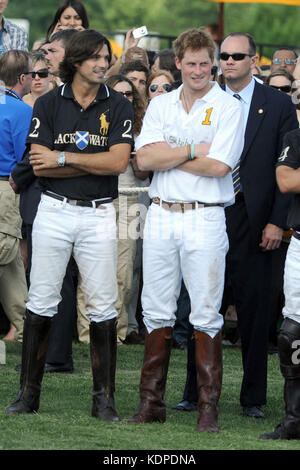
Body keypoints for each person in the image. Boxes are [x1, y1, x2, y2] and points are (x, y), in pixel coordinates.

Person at [5, 30, 134, 421]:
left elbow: (116, 164)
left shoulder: (120, 104)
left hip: (98, 213)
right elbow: (38, 162)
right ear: (75, 61)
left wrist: (63, 159)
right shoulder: (46, 102)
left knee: (102, 306)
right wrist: (79, 158)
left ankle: (104, 400)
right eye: (95, 57)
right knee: (41, 300)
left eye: (106, 56)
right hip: (54, 210)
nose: (102, 63)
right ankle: (28, 394)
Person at [173, 32, 299, 419]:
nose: (228, 62)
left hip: (257, 218)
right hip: (210, 211)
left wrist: (277, 222)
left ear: (254, 60)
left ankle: (253, 399)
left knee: (256, 311)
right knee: (203, 303)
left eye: (236, 56)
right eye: (222, 56)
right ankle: (194, 393)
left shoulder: (276, 103)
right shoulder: (201, 99)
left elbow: (286, 164)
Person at [125, 28, 244, 433]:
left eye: (203, 62)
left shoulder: (228, 106)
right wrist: (194, 149)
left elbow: (221, 167)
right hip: (160, 212)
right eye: (189, 63)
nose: (198, 70)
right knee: (154, 308)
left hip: (205, 215)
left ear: (212, 62)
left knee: (206, 311)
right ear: (177, 63)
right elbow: (143, 159)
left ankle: (207, 409)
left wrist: (167, 155)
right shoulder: (161, 104)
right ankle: (150, 403)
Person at [260, 128, 300, 440]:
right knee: (291, 332)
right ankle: (294, 419)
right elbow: (286, 181)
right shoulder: (295, 137)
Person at [0, 50, 32, 342]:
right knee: (6, 252)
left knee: (11, 263)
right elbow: (27, 155)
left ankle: (24, 329)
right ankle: (23, 328)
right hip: (6, 187)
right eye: (33, 74)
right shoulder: (22, 110)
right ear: (23, 78)